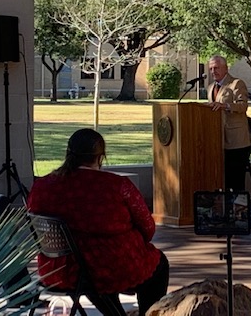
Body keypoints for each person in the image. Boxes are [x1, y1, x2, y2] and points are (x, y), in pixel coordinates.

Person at [27, 129, 169, 316]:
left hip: (59, 270)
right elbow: (148, 228)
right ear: (100, 157)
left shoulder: (43, 186)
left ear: (68, 154)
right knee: (158, 266)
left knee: (94, 267)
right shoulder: (116, 186)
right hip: (108, 268)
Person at [206, 55, 251, 191]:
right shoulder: (210, 88)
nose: (213, 71)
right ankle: (223, 208)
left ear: (226, 68)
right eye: (211, 69)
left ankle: (239, 210)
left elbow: (243, 106)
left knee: (236, 179)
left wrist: (225, 105)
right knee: (223, 179)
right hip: (218, 141)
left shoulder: (236, 84)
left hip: (237, 141)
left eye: (216, 68)